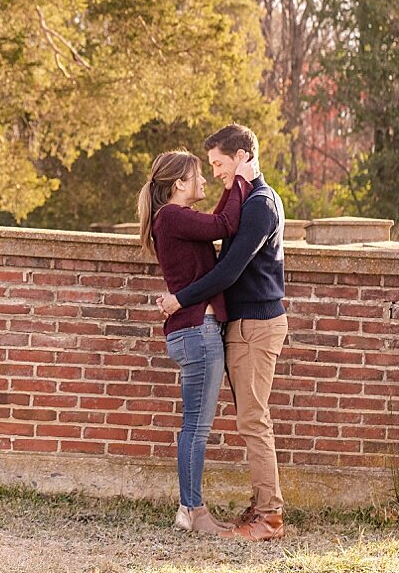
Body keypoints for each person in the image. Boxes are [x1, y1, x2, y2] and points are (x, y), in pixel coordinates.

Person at [156, 124, 288, 542]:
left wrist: (180, 299)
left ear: (242, 157)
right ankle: (262, 506)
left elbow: (228, 270)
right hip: (241, 325)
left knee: (253, 421)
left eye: (218, 163)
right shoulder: (248, 200)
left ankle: (269, 517)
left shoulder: (260, 204)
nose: (214, 172)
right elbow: (220, 232)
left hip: (256, 325)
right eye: (208, 165)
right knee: (246, 419)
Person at [138, 149, 253, 535]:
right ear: (178, 185)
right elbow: (225, 223)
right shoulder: (171, 216)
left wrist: (235, 183)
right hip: (197, 331)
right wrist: (241, 178)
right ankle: (192, 511)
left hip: (192, 330)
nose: (205, 181)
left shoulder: (174, 219)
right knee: (197, 429)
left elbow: (217, 221)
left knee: (194, 426)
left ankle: (191, 509)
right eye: (198, 176)